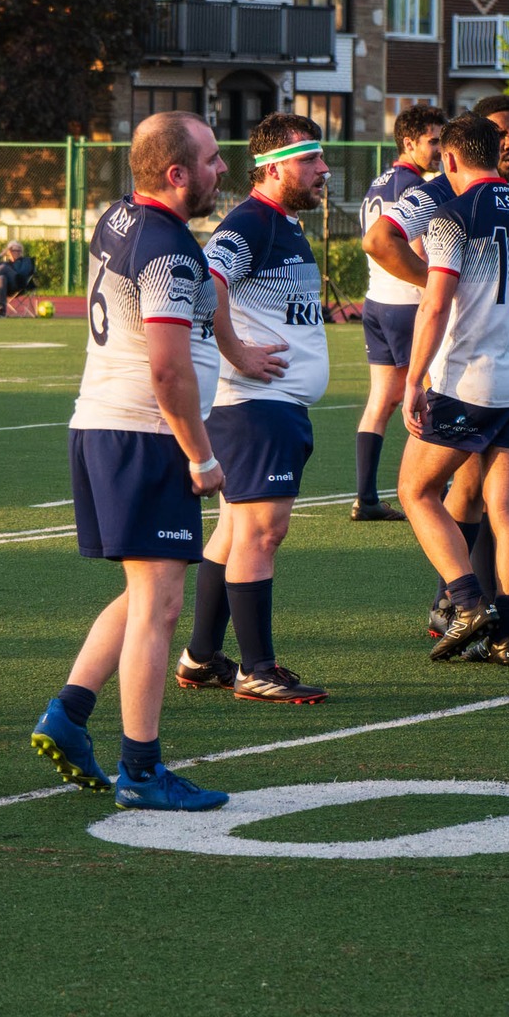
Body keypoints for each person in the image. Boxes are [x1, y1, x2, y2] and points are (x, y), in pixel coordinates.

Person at [29, 110, 230, 812]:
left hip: (102, 425)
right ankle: (141, 769)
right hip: (145, 434)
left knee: (143, 590)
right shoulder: (168, 249)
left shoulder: (119, 216)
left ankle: (69, 713)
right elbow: (169, 371)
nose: (222, 169)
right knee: (162, 603)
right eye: (210, 159)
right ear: (175, 175)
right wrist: (201, 456)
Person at [365, 94, 509, 641]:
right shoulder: (440, 193)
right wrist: (437, 282)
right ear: (481, 139)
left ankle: (470, 605)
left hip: (476, 374)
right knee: (487, 499)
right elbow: (378, 240)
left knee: (444, 492)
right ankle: (468, 612)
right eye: (501, 134)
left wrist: (452, 290)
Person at [178, 113, 332, 704]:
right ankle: (256, 668)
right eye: (309, 160)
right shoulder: (252, 221)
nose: (323, 170)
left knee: (236, 530)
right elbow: (207, 279)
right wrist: (236, 351)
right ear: (271, 168)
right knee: (263, 532)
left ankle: (200, 656)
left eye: (320, 159)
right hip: (256, 405)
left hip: (270, 406)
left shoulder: (283, 222)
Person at [352, 103, 446, 521]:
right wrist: (435, 284)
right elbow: (418, 247)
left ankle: (366, 497)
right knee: (431, 394)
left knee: (382, 399)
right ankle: (432, 491)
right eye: (434, 141)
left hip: (376, 301)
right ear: (409, 142)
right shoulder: (416, 186)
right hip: (407, 302)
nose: (440, 149)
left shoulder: (379, 181)